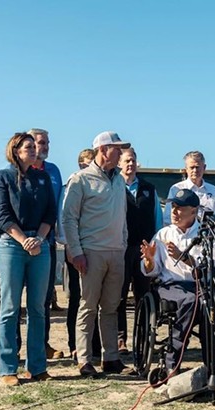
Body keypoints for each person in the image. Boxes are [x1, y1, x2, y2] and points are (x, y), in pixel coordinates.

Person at [0, 132, 56, 386]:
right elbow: (3, 215)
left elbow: (50, 213)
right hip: (11, 245)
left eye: (34, 146)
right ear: (15, 151)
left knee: (38, 308)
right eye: (28, 146)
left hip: (39, 246)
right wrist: (23, 240)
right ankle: (7, 368)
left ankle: (37, 367)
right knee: (10, 308)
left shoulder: (42, 177)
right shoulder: (3, 177)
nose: (33, 149)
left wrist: (38, 239)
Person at [62, 131, 129, 377]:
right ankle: (84, 359)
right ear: (103, 150)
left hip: (115, 251)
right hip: (91, 252)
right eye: (116, 148)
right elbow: (69, 218)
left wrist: (122, 243)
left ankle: (111, 358)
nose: (120, 153)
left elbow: (122, 215)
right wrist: (76, 251)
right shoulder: (80, 179)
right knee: (88, 306)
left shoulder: (119, 180)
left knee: (111, 306)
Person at [141, 189, 204, 373]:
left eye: (180, 208)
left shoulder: (204, 234)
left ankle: (212, 364)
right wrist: (149, 260)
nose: (174, 212)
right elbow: (152, 271)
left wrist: (183, 257)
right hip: (171, 286)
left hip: (198, 285)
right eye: (173, 207)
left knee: (210, 303)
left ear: (193, 211)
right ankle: (172, 362)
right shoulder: (163, 234)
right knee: (193, 301)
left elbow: (206, 268)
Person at [56, 148, 101, 361]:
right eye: (85, 163)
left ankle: (96, 345)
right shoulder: (71, 186)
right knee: (77, 298)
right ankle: (75, 344)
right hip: (75, 250)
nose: (89, 166)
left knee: (96, 300)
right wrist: (69, 247)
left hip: (96, 249)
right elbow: (64, 217)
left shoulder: (101, 187)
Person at [118, 147, 161, 353]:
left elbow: (157, 220)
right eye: (126, 161)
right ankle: (120, 339)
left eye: (133, 160)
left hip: (144, 249)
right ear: (119, 163)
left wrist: (155, 246)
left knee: (143, 295)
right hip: (121, 248)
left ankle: (143, 336)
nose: (130, 164)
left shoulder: (148, 188)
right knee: (119, 294)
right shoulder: (114, 186)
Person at [26, 128, 65, 360]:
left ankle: (42, 344)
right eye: (41, 142)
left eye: (47, 142)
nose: (45, 146)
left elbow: (57, 207)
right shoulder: (16, 172)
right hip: (21, 244)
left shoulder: (53, 171)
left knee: (43, 298)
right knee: (16, 303)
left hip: (47, 243)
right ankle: (17, 347)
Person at [163, 151, 215, 226]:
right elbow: (168, 219)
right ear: (186, 169)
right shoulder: (176, 189)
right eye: (192, 167)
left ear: (204, 167)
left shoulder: (214, 191)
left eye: (197, 167)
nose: (195, 170)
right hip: (182, 235)